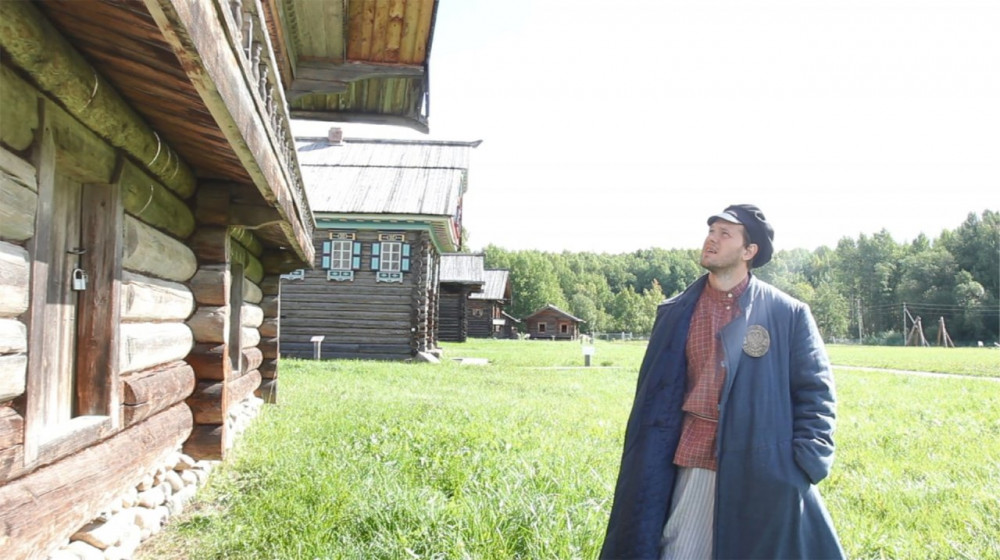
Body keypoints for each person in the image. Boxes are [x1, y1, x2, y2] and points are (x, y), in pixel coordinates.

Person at [600, 204, 845, 560]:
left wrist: (803, 465)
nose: (711, 239)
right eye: (711, 231)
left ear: (749, 251)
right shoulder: (675, 312)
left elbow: (816, 394)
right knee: (679, 551)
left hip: (762, 471)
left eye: (725, 234)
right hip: (687, 457)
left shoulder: (787, 314)